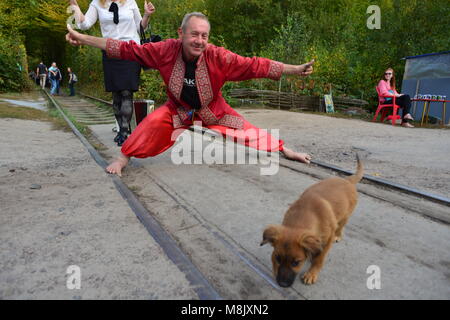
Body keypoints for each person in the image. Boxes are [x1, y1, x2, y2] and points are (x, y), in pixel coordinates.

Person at [66, 12, 314, 176]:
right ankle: (123, 158)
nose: (199, 40)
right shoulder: (165, 50)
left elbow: (255, 64)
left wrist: (294, 69)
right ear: (181, 33)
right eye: (194, 34)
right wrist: (84, 38)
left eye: (204, 35)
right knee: (151, 123)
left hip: (212, 110)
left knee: (246, 129)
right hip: (179, 111)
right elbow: (126, 49)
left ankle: (284, 150)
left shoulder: (219, 57)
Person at [69, 0, 156, 146]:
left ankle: (124, 132)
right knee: (116, 95)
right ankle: (122, 129)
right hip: (110, 50)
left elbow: (140, 27)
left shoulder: (130, 2)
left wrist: (147, 15)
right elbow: (84, 24)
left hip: (130, 49)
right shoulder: (96, 3)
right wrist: (75, 7)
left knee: (127, 92)